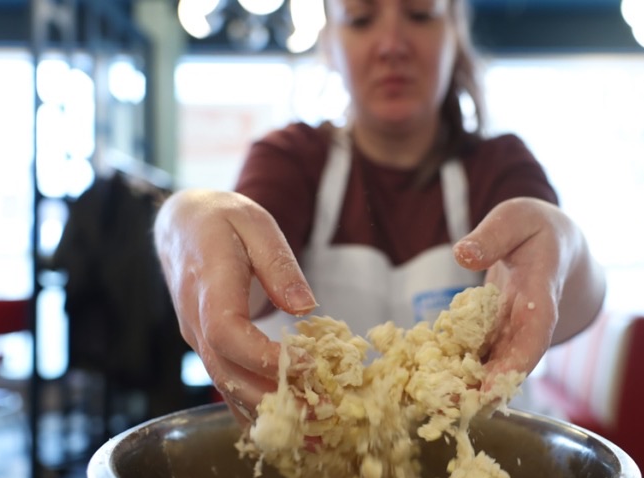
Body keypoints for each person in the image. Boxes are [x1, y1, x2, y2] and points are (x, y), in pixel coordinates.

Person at [154, 0, 606, 426]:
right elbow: (241, 283)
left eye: (419, 14)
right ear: (330, 43)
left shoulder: (499, 166)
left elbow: (571, 297)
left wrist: (563, 244)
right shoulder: (292, 161)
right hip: (320, 465)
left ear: (454, 34)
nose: (392, 45)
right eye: (361, 18)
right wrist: (185, 220)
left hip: (481, 461)